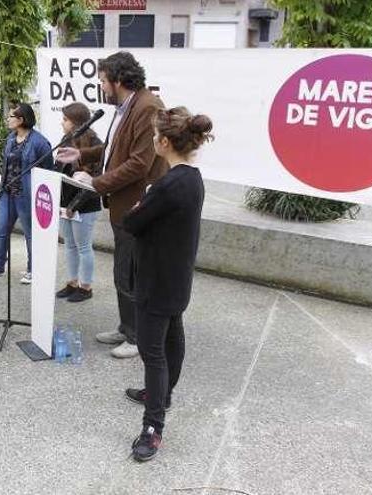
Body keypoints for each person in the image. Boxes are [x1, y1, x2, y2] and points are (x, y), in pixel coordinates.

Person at [56, 51, 169, 359]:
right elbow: (114, 149)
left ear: (118, 80)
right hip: (124, 205)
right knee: (124, 271)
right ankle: (126, 326)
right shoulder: (127, 106)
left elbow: (138, 164)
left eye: (103, 81)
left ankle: (136, 337)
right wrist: (81, 156)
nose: (101, 87)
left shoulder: (147, 107)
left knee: (131, 273)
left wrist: (95, 183)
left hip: (138, 208)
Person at [122, 107, 212, 462]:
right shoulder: (193, 177)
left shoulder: (170, 185)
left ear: (163, 142)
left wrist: (144, 199)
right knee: (172, 336)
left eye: (155, 136)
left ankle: (152, 427)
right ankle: (162, 395)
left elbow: (132, 222)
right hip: (176, 278)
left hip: (156, 280)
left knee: (152, 352)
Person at [0, 103, 52, 284]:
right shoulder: (11, 139)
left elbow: (48, 171)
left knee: (30, 233)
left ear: (21, 120)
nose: (8, 119)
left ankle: (33, 269)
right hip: (7, 192)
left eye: (11, 116)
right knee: (1, 230)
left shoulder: (40, 142)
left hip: (26, 195)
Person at [54, 103, 102, 303]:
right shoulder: (66, 139)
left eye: (65, 119)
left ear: (76, 122)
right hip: (65, 202)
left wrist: (74, 205)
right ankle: (72, 282)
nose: (62, 122)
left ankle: (86, 286)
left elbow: (94, 180)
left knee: (83, 246)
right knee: (70, 245)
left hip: (84, 205)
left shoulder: (94, 142)